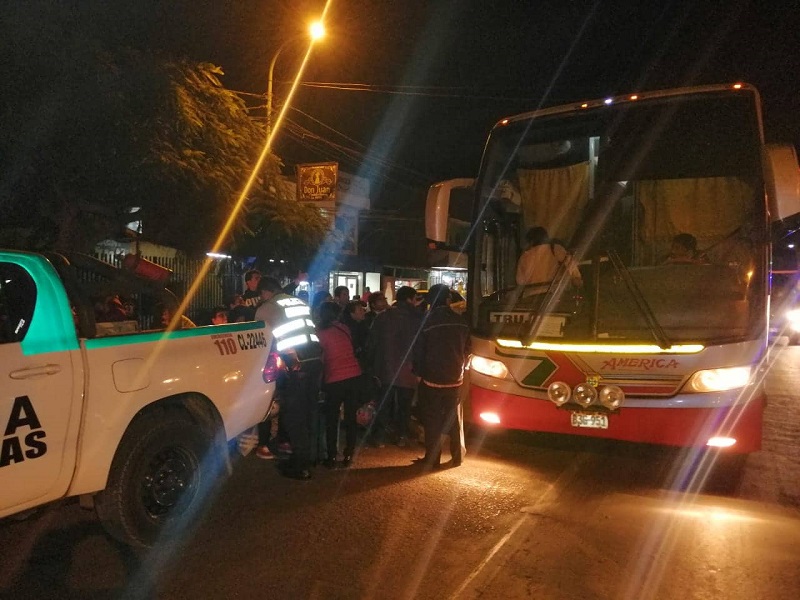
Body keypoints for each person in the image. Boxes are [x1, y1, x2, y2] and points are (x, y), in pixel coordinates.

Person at [255, 276, 322, 480]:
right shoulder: (299, 301)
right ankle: (312, 456)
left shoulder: (267, 307)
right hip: (316, 359)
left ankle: (300, 465)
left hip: (296, 363)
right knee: (309, 410)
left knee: (294, 416)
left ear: (266, 292)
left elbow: (261, 340)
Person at [412, 284, 471, 469]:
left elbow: (419, 351)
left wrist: (418, 373)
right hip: (455, 377)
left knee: (432, 419)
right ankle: (457, 456)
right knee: (452, 418)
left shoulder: (426, 322)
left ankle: (433, 459)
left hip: (431, 378)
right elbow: (468, 348)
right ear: (447, 300)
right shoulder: (460, 321)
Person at [367, 285, 422, 447]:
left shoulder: (383, 317)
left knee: (383, 404)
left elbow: (372, 343)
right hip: (409, 370)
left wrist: (373, 366)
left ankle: (378, 437)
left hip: (386, 369)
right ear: (410, 299)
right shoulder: (418, 319)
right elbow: (421, 345)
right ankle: (401, 436)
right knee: (404, 407)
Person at [315, 301, 364, 469]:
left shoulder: (320, 333)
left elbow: (320, 359)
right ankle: (349, 453)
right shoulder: (344, 328)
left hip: (334, 378)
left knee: (332, 419)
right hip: (354, 376)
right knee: (351, 418)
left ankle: (331, 456)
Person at [516, 226, 582, 288]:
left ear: (531, 241)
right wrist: (576, 277)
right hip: (551, 295)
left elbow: (520, 281)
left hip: (531, 296)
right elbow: (571, 265)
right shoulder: (554, 249)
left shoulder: (525, 256)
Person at [340, 299, 369, 368]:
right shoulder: (348, 329)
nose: (363, 312)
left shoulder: (363, 324)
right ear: (352, 313)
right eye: (360, 310)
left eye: (363, 309)